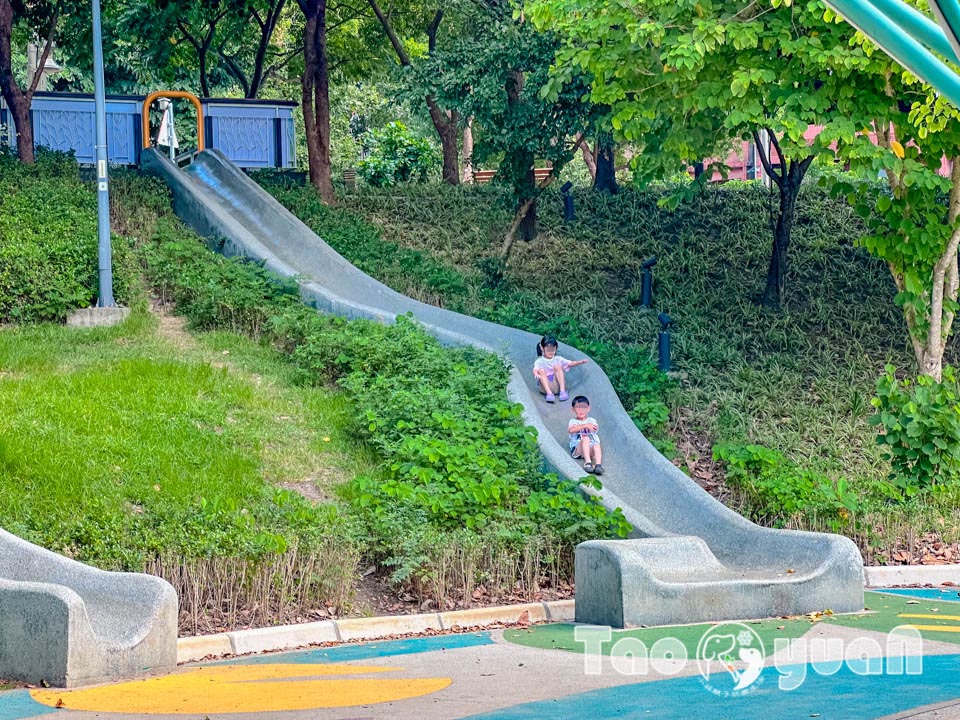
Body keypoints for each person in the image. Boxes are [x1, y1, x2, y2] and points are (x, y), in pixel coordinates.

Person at [533, 336, 588, 403]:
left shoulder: (558, 359)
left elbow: (569, 363)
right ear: (542, 348)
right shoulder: (540, 361)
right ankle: (549, 394)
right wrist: (536, 373)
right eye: (548, 349)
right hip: (545, 387)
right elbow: (535, 369)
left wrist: (580, 362)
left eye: (553, 349)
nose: (551, 352)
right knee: (541, 370)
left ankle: (562, 391)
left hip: (557, 386)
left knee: (557, 366)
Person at [568, 395, 604, 475]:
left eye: (583, 408)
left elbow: (594, 428)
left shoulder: (591, 420)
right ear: (573, 409)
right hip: (578, 450)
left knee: (597, 445)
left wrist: (590, 426)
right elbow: (571, 430)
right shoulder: (573, 421)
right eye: (578, 408)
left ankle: (598, 465)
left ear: (588, 408)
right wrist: (585, 426)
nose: (581, 410)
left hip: (589, 448)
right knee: (585, 439)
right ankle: (588, 462)